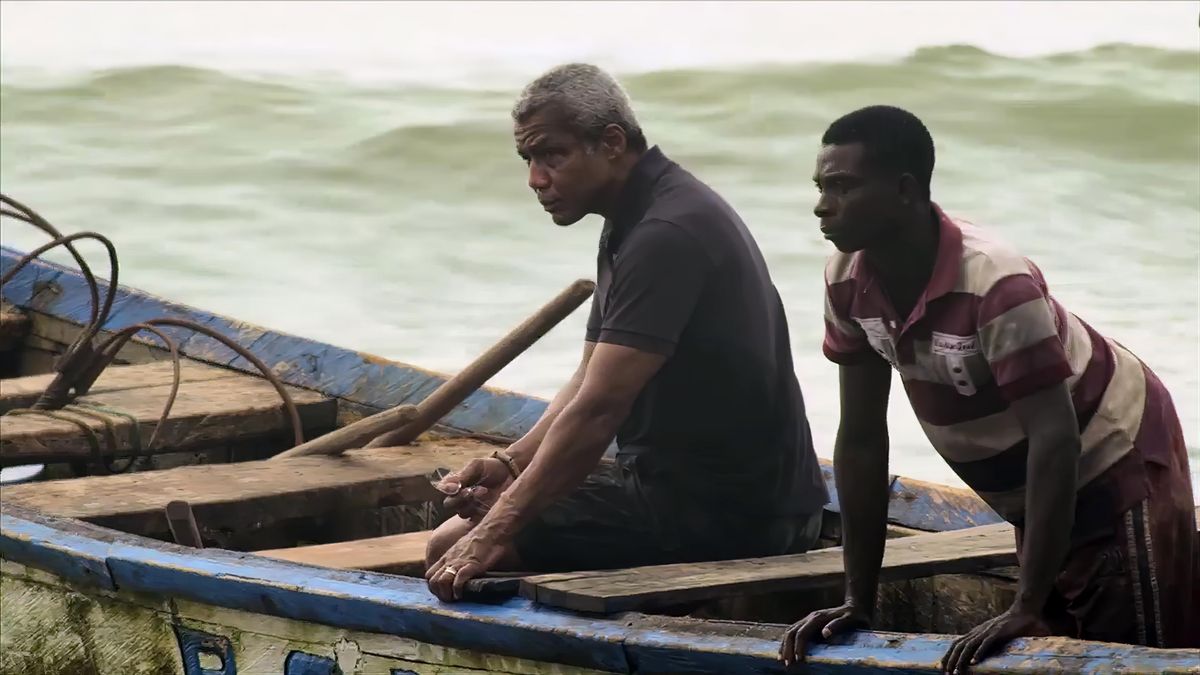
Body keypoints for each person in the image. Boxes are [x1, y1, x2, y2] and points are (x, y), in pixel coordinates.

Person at [779, 105, 1198, 671]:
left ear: (905, 190)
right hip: (1030, 483)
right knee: (1046, 643)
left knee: (1125, 655)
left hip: (1112, 453)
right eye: (819, 186)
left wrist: (1024, 602)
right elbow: (860, 439)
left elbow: (1056, 439)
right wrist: (858, 599)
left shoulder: (996, 283)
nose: (821, 205)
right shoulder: (845, 280)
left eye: (842, 187)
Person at [423, 63, 829, 602]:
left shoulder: (665, 233)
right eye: (528, 159)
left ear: (611, 142)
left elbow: (598, 411)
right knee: (467, 516)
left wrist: (497, 529)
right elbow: (588, 377)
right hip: (686, 490)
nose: (536, 180)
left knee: (453, 544)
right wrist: (509, 463)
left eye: (553, 156)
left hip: (732, 513)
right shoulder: (634, 214)